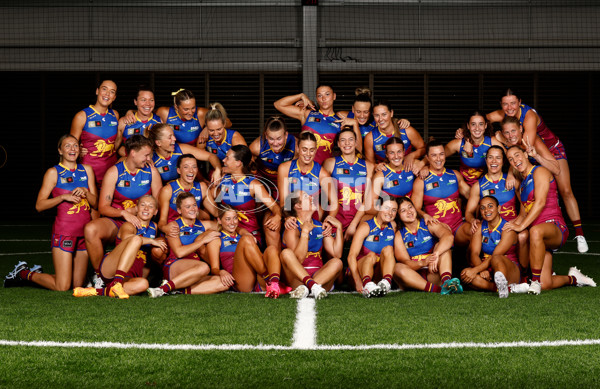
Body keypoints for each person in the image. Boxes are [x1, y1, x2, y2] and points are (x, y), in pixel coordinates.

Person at [488, 88, 588, 253]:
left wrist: (505, 145)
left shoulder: (529, 117)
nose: (509, 107)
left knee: (565, 189)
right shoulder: (504, 115)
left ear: (520, 102)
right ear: (501, 105)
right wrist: (463, 131)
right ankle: (544, 230)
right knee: (523, 190)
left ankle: (579, 233)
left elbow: (525, 147)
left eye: (513, 103)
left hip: (547, 150)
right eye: (505, 104)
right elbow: (483, 119)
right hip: (526, 154)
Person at [4, 135, 97, 291]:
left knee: (77, 286)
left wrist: (86, 193)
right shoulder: (54, 172)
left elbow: (95, 203)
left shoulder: (87, 170)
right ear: (60, 150)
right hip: (64, 232)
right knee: (62, 287)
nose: (72, 149)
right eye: (67, 146)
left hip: (84, 233)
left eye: (75, 145)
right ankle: (24, 273)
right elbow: (39, 205)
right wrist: (62, 197)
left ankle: (39, 274)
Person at [504, 146, 595, 294]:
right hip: (539, 237)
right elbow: (522, 215)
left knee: (532, 231)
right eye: (511, 159)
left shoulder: (539, 171)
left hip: (555, 226)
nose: (515, 161)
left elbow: (540, 202)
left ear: (526, 155)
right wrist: (506, 226)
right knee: (546, 283)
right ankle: (574, 278)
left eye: (517, 155)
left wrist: (521, 227)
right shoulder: (521, 186)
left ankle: (533, 281)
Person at [83, 135, 162, 286]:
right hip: (117, 221)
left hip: (142, 223)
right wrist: (124, 213)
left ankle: (158, 278)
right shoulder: (114, 172)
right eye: (146, 155)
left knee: (160, 245)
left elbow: (159, 202)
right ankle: (100, 276)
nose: (149, 158)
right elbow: (103, 207)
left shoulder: (151, 172)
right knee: (91, 229)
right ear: (133, 153)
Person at [73, 195, 168, 298]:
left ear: (155, 212)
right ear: (137, 208)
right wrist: (151, 241)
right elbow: (128, 237)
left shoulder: (154, 227)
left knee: (143, 284)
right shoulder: (129, 225)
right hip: (111, 269)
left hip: (129, 276)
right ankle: (117, 283)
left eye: (150, 206)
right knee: (136, 239)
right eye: (143, 205)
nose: (146, 208)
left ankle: (98, 291)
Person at [148, 192, 228, 297]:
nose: (193, 209)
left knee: (224, 282)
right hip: (176, 265)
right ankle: (162, 289)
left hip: (196, 271)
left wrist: (243, 232)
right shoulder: (174, 226)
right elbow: (179, 253)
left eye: (194, 205)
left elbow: (227, 225)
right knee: (204, 267)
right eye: (188, 206)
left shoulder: (204, 224)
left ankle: (178, 290)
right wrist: (202, 241)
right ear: (179, 210)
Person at [210, 145, 282, 249]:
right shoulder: (224, 179)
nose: (223, 160)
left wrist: (277, 216)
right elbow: (209, 195)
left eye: (227, 158)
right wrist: (217, 170)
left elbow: (274, 207)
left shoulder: (253, 184)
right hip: (228, 232)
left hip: (250, 234)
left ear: (238, 163)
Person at [206, 206, 284, 298]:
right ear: (219, 220)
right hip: (241, 281)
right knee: (246, 239)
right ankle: (269, 280)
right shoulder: (217, 240)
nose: (232, 222)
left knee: (271, 249)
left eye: (235, 218)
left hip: (258, 277)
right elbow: (214, 268)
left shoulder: (242, 234)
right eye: (228, 219)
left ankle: (274, 283)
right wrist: (221, 272)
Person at [279, 191, 344, 299]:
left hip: (319, 276)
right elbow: (298, 259)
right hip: (297, 280)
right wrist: (304, 233)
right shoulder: (292, 227)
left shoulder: (320, 225)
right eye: (305, 196)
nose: (310, 197)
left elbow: (336, 253)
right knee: (286, 253)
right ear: (298, 205)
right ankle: (312, 286)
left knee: (337, 262)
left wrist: (339, 228)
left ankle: (311, 287)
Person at [460, 196, 529, 298]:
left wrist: (475, 270)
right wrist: (482, 270)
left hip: (509, 268)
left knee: (496, 258)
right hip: (487, 267)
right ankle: (507, 288)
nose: (486, 210)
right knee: (465, 274)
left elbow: (496, 255)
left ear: (499, 209)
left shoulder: (507, 228)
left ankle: (505, 285)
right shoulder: (479, 226)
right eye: (482, 208)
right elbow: (474, 253)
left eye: (490, 206)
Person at [274, 84, 361, 164]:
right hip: (301, 168)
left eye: (327, 94)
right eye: (320, 95)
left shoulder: (340, 122)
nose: (323, 98)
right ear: (316, 98)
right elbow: (278, 105)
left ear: (334, 96)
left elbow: (358, 149)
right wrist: (301, 95)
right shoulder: (307, 114)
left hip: (324, 170)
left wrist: (355, 124)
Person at [393, 197, 463, 294]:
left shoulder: (428, 223)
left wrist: (436, 254)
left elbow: (448, 237)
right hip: (414, 276)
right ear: (398, 215)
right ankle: (439, 290)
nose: (409, 212)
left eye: (410, 207)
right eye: (403, 210)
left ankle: (446, 282)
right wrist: (422, 263)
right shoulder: (399, 235)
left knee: (443, 247)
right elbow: (405, 261)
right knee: (397, 267)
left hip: (433, 271)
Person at [411, 139, 472, 246]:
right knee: (445, 242)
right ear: (427, 158)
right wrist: (425, 215)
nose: (438, 158)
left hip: (458, 227)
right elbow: (415, 208)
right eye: (434, 155)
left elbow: (472, 196)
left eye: (441, 154)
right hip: (437, 230)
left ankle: (473, 261)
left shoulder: (455, 175)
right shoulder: (421, 180)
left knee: (477, 231)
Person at [323, 126, 374, 240]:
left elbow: (367, 201)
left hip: (358, 219)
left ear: (356, 143)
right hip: (336, 217)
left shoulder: (368, 166)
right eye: (343, 140)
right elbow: (324, 196)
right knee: (333, 255)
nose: (347, 143)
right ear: (338, 144)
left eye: (350, 139)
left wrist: (353, 225)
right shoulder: (330, 163)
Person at [277, 131, 338, 220]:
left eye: (311, 150)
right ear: (297, 149)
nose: (308, 154)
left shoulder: (322, 174)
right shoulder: (285, 168)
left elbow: (334, 203)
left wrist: (329, 221)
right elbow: (283, 201)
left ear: (316, 150)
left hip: (311, 216)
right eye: (304, 149)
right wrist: (288, 218)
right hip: (291, 215)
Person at [70, 80, 120, 187]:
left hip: (111, 172)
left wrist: (130, 111)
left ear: (114, 97)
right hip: (88, 173)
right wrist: (78, 150)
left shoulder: (115, 115)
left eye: (112, 91)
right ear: (97, 91)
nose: (107, 94)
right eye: (104, 89)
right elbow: (69, 146)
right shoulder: (82, 116)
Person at [346, 197, 397, 297]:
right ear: (378, 207)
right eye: (386, 208)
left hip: (378, 274)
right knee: (371, 255)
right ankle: (367, 284)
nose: (390, 213)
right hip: (359, 273)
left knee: (389, 249)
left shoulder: (393, 226)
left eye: (394, 210)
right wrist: (357, 281)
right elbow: (351, 256)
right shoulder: (366, 226)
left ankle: (386, 283)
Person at [157, 154, 216, 235]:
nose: (191, 171)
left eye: (194, 167)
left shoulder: (202, 187)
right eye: (186, 167)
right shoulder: (168, 190)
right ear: (179, 170)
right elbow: (162, 222)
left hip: (194, 229)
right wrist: (165, 228)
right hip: (175, 231)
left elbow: (216, 212)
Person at [147, 123, 222, 184]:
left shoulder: (181, 148)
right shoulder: (150, 158)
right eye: (170, 137)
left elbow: (211, 156)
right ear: (158, 143)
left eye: (173, 135)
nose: (174, 139)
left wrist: (218, 170)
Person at [444, 111, 505, 186]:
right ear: (468, 126)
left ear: (485, 125)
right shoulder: (458, 143)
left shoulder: (492, 142)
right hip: (463, 186)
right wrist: (425, 167)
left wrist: (511, 175)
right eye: (473, 124)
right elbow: (437, 156)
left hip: (485, 185)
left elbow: (510, 157)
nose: (477, 128)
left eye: (481, 124)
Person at [363, 100, 425, 170]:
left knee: (417, 164)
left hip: (407, 169)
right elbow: (370, 164)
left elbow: (424, 149)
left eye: (384, 114)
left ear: (391, 113)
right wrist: (376, 166)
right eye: (377, 115)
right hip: (386, 173)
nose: (380, 119)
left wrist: (412, 156)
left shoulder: (407, 130)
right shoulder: (370, 138)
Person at [249, 116, 297, 198]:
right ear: (266, 136)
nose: (275, 143)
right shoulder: (257, 146)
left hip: (286, 178)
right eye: (271, 139)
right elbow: (249, 159)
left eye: (279, 139)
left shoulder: (295, 146)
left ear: (286, 135)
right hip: (265, 178)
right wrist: (255, 173)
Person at [117, 85, 162, 157]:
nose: (148, 104)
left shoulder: (160, 121)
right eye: (143, 100)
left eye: (151, 100)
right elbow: (116, 148)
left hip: (154, 165)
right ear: (135, 102)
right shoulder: (124, 122)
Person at [371, 137, 417, 206]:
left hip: (408, 213)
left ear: (404, 151)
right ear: (386, 154)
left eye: (399, 151)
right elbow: (372, 204)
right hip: (389, 214)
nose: (396, 156)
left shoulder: (412, 166)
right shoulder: (381, 174)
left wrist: (424, 166)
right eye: (391, 153)